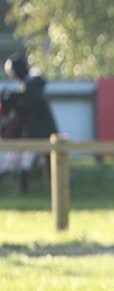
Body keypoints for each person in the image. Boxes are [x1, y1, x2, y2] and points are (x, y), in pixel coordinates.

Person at [0, 53, 58, 192]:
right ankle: (31, 188)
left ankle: (57, 188)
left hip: (41, 131)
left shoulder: (33, 86)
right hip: (37, 131)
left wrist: (14, 98)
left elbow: (28, 104)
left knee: (49, 162)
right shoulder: (31, 85)